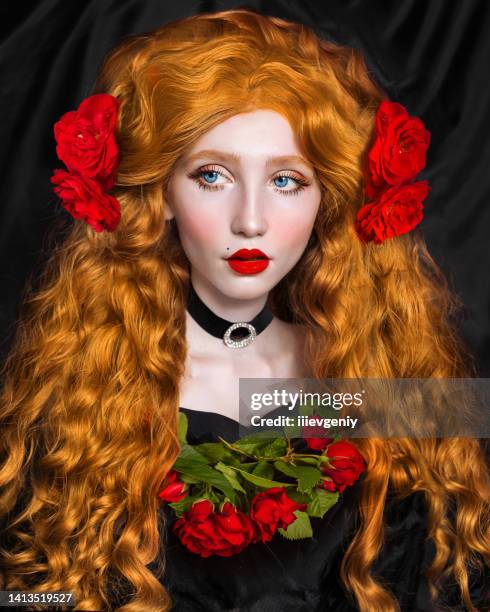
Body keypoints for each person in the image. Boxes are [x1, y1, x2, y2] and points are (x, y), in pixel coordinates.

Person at [0, 8, 488, 612]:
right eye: (212, 175)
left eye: (287, 180)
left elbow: (450, 583)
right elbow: (32, 595)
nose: (251, 220)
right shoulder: (75, 393)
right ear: (162, 194)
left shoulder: (391, 382)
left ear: (325, 202)